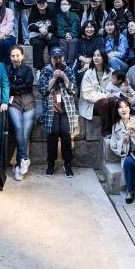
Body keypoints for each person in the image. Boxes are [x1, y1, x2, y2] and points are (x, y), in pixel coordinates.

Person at [39, 46, 78, 177]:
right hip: (51, 107)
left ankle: (68, 163)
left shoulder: (68, 70)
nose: (57, 60)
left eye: (60, 57)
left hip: (65, 108)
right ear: (51, 58)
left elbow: (73, 91)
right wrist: (54, 78)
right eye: (55, 58)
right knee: (53, 132)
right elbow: (43, 91)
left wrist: (64, 77)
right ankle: (51, 162)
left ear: (63, 58)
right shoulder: (46, 70)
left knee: (65, 132)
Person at [6, 44, 36, 181]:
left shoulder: (28, 69)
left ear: (22, 56)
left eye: (18, 55)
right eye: (13, 55)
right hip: (14, 102)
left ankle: (19, 166)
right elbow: (7, 86)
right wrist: (18, 86)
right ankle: (24, 158)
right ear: (10, 57)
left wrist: (15, 87)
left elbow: (28, 85)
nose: (15, 58)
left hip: (28, 102)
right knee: (18, 127)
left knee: (24, 133)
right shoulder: (7, 69)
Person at [79, 49, 119, 136]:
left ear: (104, 58)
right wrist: (106, 95)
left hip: (109, 101)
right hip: (91, 104)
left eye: (99, 55)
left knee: (112, 100)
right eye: (94, 55)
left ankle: (115, 128)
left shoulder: (111, 72)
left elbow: (119, 87)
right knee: (105, 101)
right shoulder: (88, 73)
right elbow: (87, 94)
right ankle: (106, 130)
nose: (96, 58)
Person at [27, 0, 57, 71]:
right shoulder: (33, 13)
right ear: (37, 4)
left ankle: (54, 64)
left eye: (43, 3)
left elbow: (54, 24)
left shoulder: (51, 12)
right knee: (37, 44)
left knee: (54, 42)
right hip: (36, 35)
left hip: (48, 34)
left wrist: (47, 29)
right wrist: (39, 29)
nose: (42, 4)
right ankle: (39, 69)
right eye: (39, 3)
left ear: (46, 3)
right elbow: (30, 26)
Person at [55, 0, 80, 64]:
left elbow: (75, 28)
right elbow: (59, 29)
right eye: (62, 5)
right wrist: (65, 35)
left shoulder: (75, 16)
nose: (63, 6)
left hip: (73, 36)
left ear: (69, 5)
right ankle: (64, 63)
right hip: (63, 37)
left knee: (73, 41)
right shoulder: (58, 16)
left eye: (65, 4)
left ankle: (71, 63)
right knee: (62, 42)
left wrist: (70, 35)